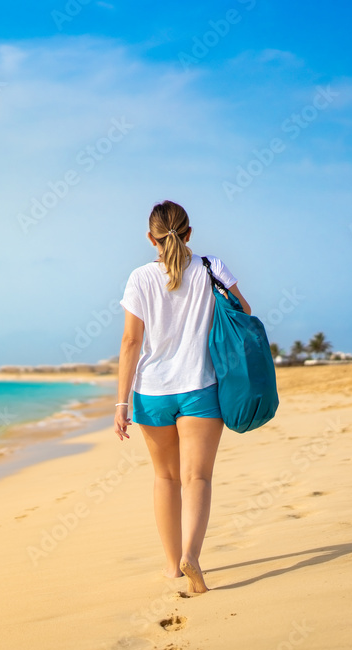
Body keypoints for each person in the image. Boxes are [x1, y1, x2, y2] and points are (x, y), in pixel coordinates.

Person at [114, 200, 251, 594]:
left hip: (152, 392)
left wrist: (121, 403)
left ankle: (172, 567)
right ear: (189, 233)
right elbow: (243, 312)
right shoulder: (212, 268)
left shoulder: (139, 278)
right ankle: (192, 553)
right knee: (197, 478)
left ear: (150, 238)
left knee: (165, 478)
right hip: (201, 387)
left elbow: (130, 342)